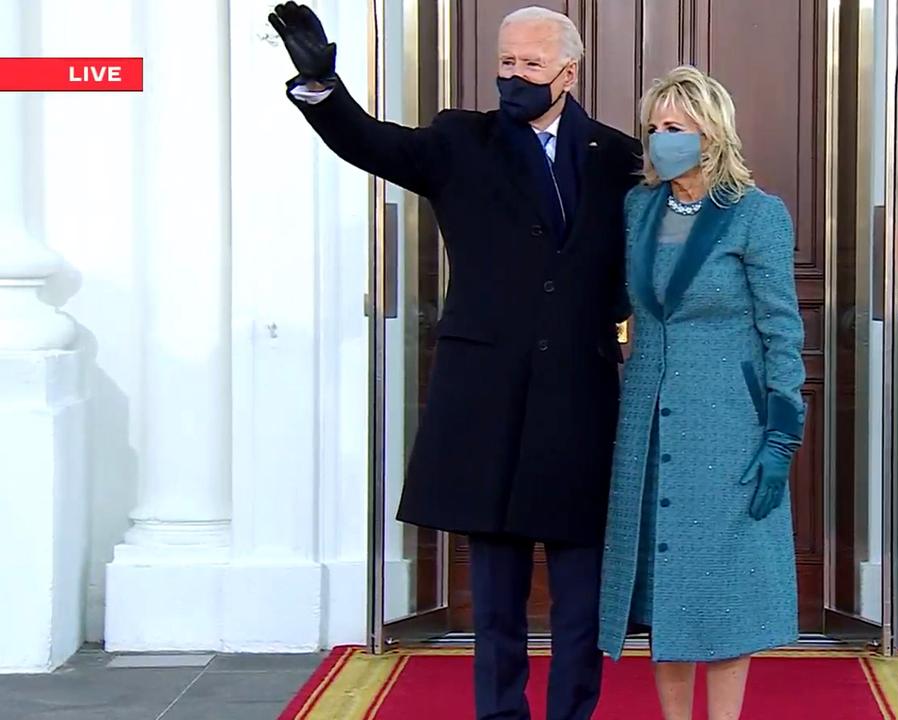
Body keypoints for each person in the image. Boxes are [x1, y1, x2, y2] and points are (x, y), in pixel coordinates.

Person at [267, 4, 641, 719]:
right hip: (486, 399)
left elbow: (645, 254)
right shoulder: (459, 140)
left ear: (569, 70)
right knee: (495, 594)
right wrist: (321, 86)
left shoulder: (619, 157)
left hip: (578, 397)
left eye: (530, 65)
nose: (513, 77)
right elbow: (369, 142)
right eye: (505, 63)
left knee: (581, 598)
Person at [597, 65, 807, 720]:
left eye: (675, 127)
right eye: (654, 128)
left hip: (728, 425)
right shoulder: (638, 208)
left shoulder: (756, 215)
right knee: (665, 586)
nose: (660, 139)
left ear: (711, 134)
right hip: (648, 420)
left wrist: (781, 434)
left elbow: (782, 330)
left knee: (722, 589)